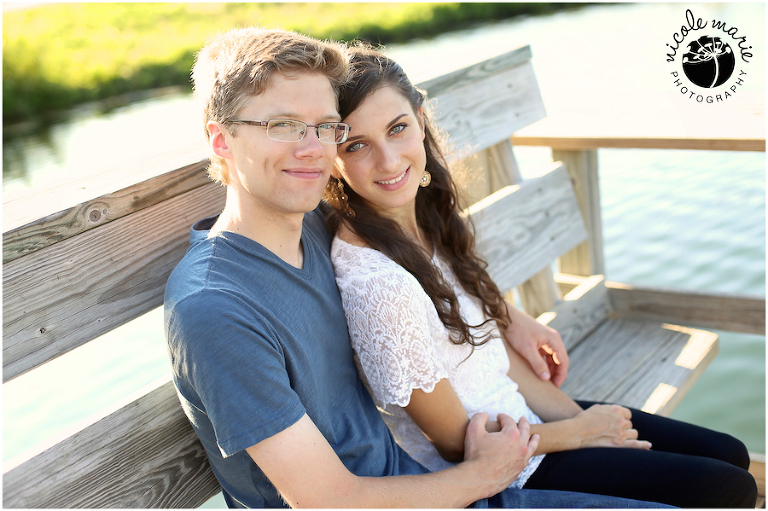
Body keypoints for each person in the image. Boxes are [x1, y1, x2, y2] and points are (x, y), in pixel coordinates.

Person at [164, 26, 669, 509]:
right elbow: (329, 502)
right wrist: (483, 473)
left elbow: (417, 235)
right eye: (281, 125)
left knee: (718, 477)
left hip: (427, 479)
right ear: (221, 141)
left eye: (324, 127)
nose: (312, 148)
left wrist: (506, 318)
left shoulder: (308, 226)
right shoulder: (215, 309)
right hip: (444, 485)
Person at [325, 43, 758, 509]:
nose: (389, 161)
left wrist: (587, 423)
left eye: (397, 129)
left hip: (527, 421)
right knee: (729, 488)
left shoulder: (420, 220)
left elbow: (493, 359)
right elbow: (454, 443)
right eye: (356, 145)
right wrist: (578, 432)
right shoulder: (378, 284)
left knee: (730, 455)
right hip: (503, 475)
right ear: (331, 155)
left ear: (420, 116)